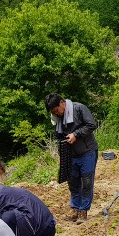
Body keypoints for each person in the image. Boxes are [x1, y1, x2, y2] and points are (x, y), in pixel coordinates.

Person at [45, 93, 98, 222]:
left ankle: (83, 211)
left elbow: (92, 125)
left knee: (87, 182)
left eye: (56, 110)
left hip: (87, 151)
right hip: (70, 154)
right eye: (53, 112)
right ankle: (75, 209)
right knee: (73, 182)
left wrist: (76, 134)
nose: (56, 113)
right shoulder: (57, 118)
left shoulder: (79, 108)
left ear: (62, 103)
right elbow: (59, 136)